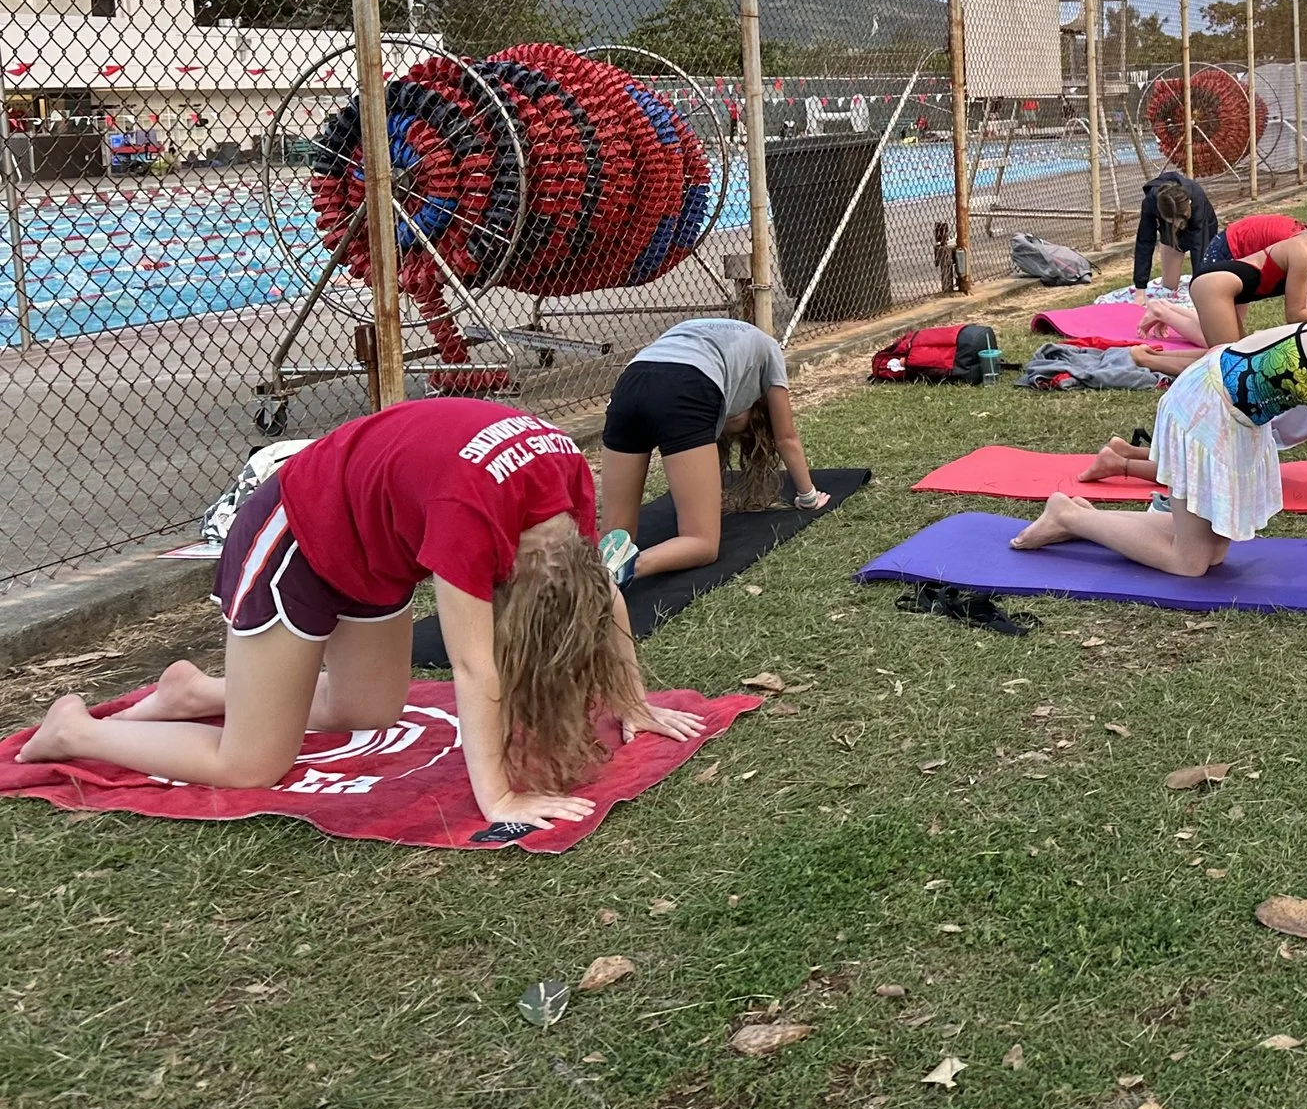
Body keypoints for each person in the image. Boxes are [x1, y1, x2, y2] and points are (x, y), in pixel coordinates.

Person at [20, 400, 706, 827]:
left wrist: (633, 699)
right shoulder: (470, 521)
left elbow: (600, 593)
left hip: (372, 546)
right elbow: (474, 666)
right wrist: (497, 799)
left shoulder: (563, 484)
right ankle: (79, 730)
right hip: (293, 537)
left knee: (371, 708)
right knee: (253, 762)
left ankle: (194, 692)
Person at [1012, 295, 1307, 614]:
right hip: (1206, 405)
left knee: (1213, 552)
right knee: (1190, 562)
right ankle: (1070, 518)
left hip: (1236, 414)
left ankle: (1078, 516)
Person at [599, 318, 829, 582]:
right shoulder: (770, 348)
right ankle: (623, 570)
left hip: (629, 383)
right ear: (756, 405)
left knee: (617, 535)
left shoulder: (706, 333)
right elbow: (786, 437)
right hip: (686, 385)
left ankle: (581, 574)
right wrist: (808, 496)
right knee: (701, 543)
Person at [1145, 193, 1307, 350]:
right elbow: (1296, 314)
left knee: (1240, 353)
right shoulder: (1303, 251)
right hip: (1213, 284)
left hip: (1227, 283)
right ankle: (1145, 357)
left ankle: (1158, 326)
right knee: (1229, 359)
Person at [1131, 171, 1220, 292]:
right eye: (1173, 220)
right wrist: (1140, 289)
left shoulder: (1195, 196)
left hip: (1204, 225)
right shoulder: (1150, 203)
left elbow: (1200, 247)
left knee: (1205, 284)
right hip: (1170, 232)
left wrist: (1200, 287)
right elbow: (1144, 242)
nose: (1178, 224)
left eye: (1180, 219)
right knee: (1169, 286)